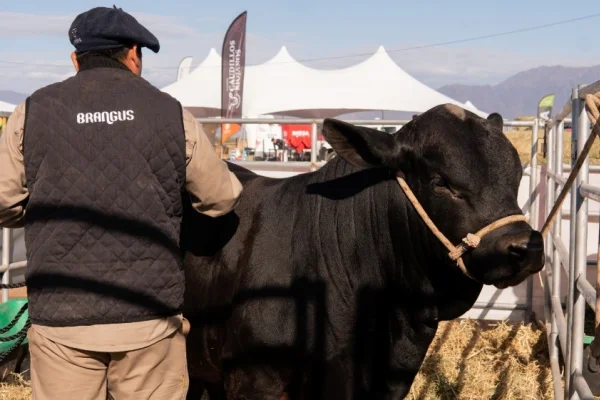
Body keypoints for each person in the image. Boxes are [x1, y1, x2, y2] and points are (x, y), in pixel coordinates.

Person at [0, 6, 243, 400]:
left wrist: (43, 210)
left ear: (75, 59)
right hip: (148, 315)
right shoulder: (170, 112)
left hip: (62, 317)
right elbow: (220, 198)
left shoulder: (32, 111)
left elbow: (2, 201)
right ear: (133, 54)